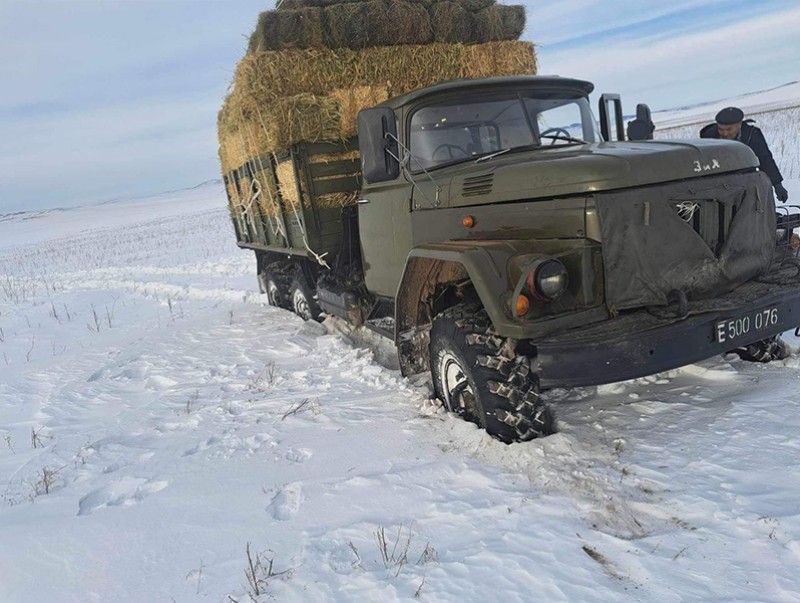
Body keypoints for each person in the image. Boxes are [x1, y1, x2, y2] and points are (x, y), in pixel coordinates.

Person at [700, 106, 788, 202]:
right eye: (721, 129)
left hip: (746, 180)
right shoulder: (708, 137)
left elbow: (765, 159)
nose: (724, 133)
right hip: (719, 183)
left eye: (729, 129)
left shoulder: (753, 134)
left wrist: (777, 184)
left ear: (739, 125)